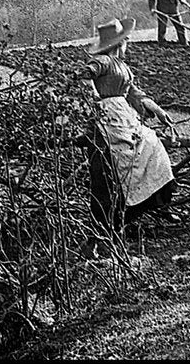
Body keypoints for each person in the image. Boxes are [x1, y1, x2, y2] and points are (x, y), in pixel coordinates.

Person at [78, 17, 179, 255]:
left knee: (152, 148)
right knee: (112, 174)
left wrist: (157, 109)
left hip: (126, 118)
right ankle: (103, 237)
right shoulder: (102, 61)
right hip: (108, 121)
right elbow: (84, 75)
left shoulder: (122, 66)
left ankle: (142, 207)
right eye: (125, 41)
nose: (127, 45)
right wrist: (96, 99)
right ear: (118, 43)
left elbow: (134, 92)